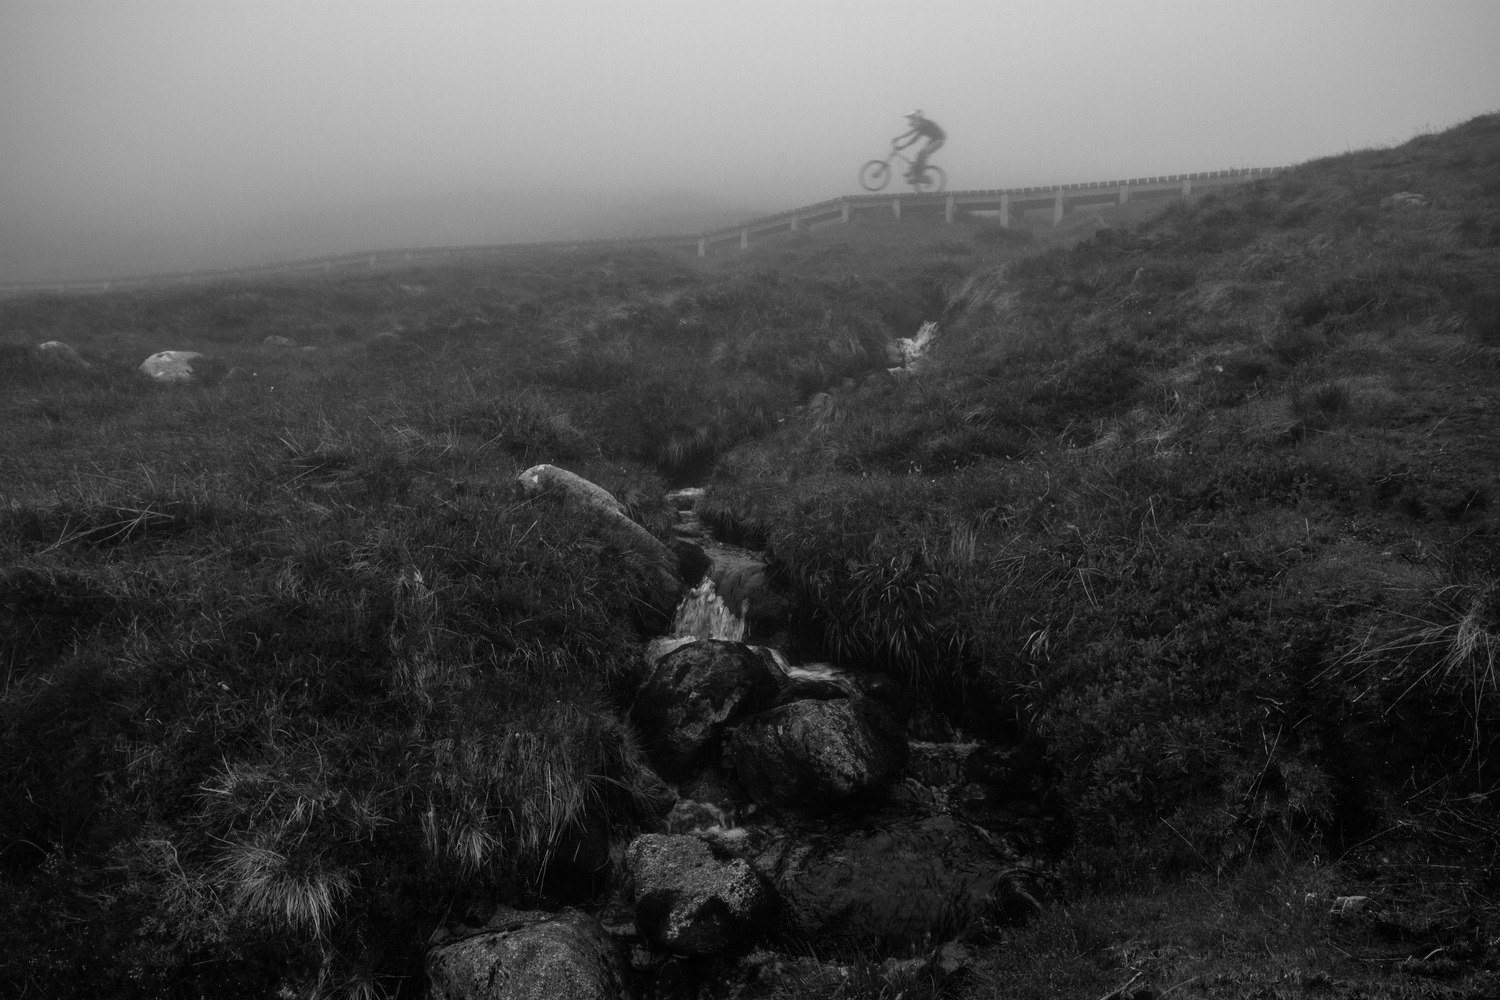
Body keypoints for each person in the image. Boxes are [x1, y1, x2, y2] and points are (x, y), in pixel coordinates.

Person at [894, 110, 945, 182]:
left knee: (923, 153)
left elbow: (913, 136)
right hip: (933, 140)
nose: (911, 121)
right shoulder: (922, 125)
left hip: (939, 140)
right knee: (919, 154)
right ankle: (914, 173)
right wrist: (902, 143)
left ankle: (920, 175)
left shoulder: (924, 124)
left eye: (912, 119)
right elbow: (913, 136)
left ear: (917, 118)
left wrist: (901, 141)